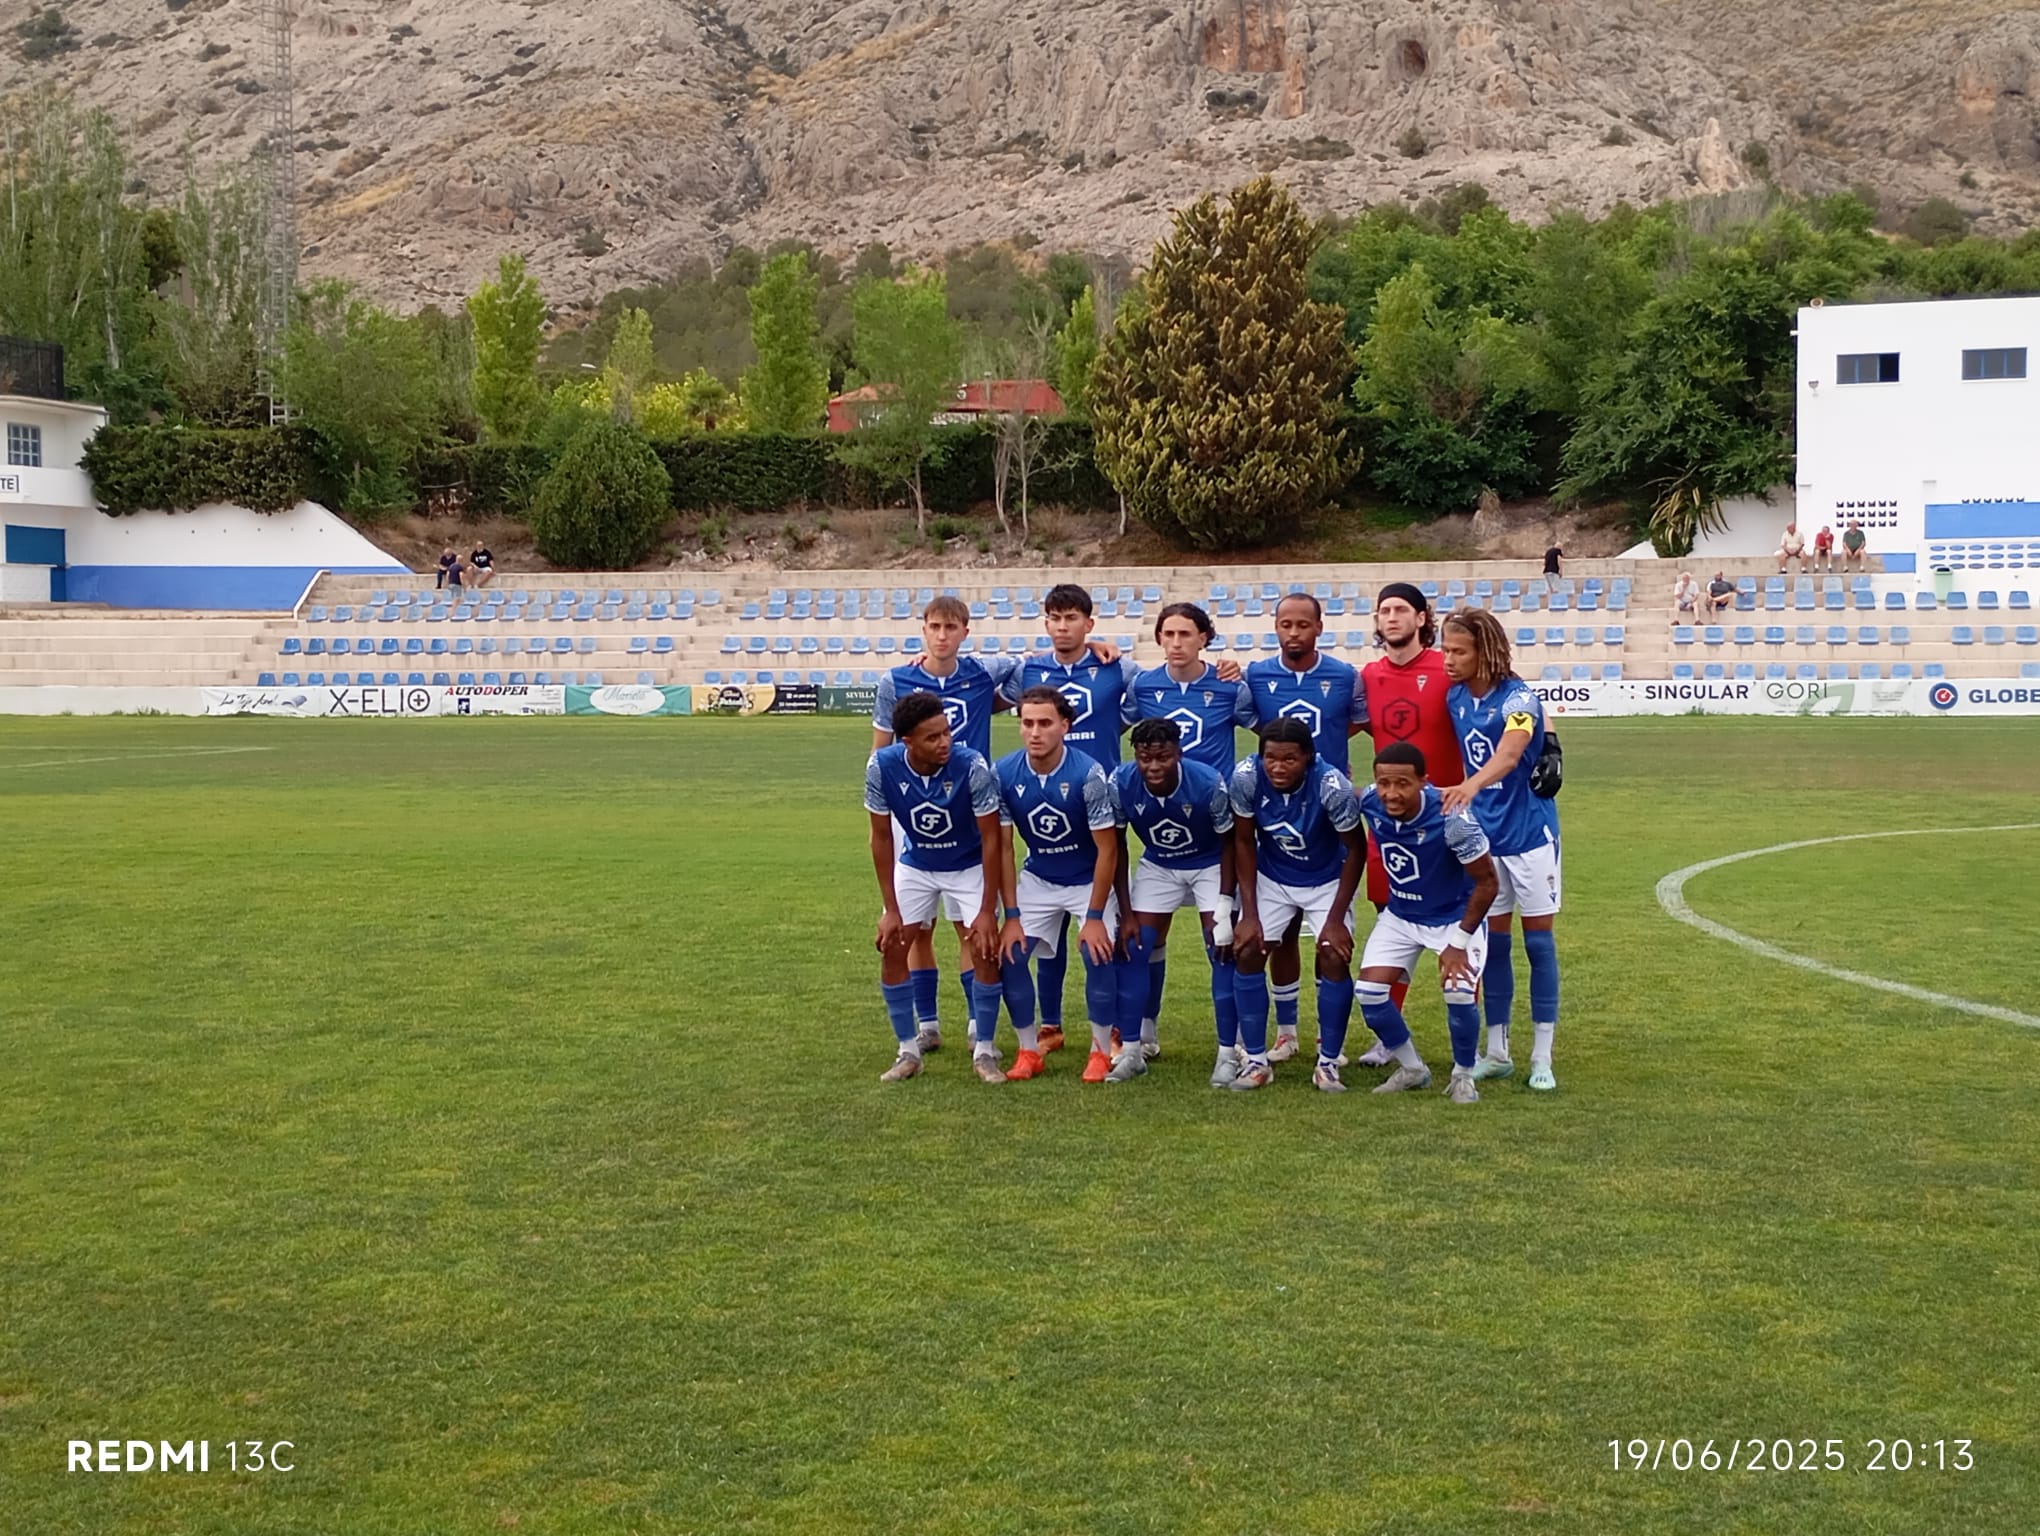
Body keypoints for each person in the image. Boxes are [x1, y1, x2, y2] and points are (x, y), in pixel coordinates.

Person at [1005, 584, 1210, 1055]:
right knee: (1048, 924)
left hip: (1100, 799)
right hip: (1045, 800)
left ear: (1089, 623)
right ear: (1045, 623)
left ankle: (1121, 1028)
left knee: (1107, 920)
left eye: (1072, 618)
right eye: (1054, 618)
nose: (1062, 626)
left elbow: (1159, 683)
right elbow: (985, 686)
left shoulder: (1118, 668)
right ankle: (1051, 1025)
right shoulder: (1027, 669)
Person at [1440, 610, 1562, 1093]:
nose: (1449, 660)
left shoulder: (1517, 698)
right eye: (1446, 650)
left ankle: (1542, 1056)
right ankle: (1498, 1052)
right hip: (1485, 841)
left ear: (1485, 651)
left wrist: (1470, 786)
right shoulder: (1454, 696)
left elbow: (1511, 753)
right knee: (1494, 946)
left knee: (1538, 944)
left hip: (1530, 837)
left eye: (1459, 652)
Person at [1124, 600, 1254, 1052]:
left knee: (1219, 936)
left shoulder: (1227, 686)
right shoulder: (1142, 686)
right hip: (1161, 830)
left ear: (1204, 639)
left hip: (1212, 832)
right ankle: (1144, 1031)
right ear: (1158, 638)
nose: (1176, 643)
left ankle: (1237, 1038)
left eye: (1186, 634)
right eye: (1168, 634)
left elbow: (1270, 729)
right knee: (1146, 939)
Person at [1242, 593, 1365, 1063]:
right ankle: (1287, 1033)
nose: (1293, 633)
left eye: (1302, 625)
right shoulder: (1255, 676)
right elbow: (1257, 728)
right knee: (1282, 935)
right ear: (1275, 627)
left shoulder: (1343, 676)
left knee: (1328, 938)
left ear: (1319, 627)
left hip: (1327, 812)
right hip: (1278, 810)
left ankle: (1324, 1040)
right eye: (1284, 625)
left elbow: (1358, 723)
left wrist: (1324, 764)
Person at [1351, 581, 1467, 1068]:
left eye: (1401, 609)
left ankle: (1478, 1041)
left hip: (1448, 824)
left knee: (1467, 923)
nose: (1391, 617)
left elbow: (1511, 699)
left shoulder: (1449, 669)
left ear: (1422, 618)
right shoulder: (1368, 676)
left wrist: (1547, 741)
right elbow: (1326, 724)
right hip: (1390, 823)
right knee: (1391, 917)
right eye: (1384, 610)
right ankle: (1388, 1037)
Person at [864, 692, 1006, 1083]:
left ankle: (984, 1050)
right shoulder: (882, 766)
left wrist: (986, 909)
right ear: (907, 741)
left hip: (968, 866)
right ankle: (908, 1050)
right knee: (894, 946)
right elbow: (880, 838)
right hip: (917, 865)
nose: (944, 742)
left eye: (946, 732)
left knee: (983, 947)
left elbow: (992, 839)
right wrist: (890, 909)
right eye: (932, 737)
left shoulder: (972, 765)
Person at [993, 687, 1128, 1085]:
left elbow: (1108, 850)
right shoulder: (1003, 773)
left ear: (1065, 726)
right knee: (1011, 955)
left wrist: (1095, 915)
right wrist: (1012, 914)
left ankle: (1100, 1051)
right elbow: (1002, 848)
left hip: (1088, 879)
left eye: (1045, 723)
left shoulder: (1088, 774)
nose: (1035, 732)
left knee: (1096, 951)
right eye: (1027, 723)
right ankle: (1028, 1051)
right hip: (1039, 877)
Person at [1227, 718, 1366, 1093]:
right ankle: (1256, 1061)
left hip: (1327, 878)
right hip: (1274, 876)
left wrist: (1336, 918)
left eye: (1289, 759)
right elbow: (1242, 841)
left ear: (1308, 758)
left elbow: (1357, 848)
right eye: (1270, 758)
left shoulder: (1331, 785)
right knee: (1247, 951)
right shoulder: (1246, 777)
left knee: (1334, 955)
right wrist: (1250, 914)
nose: (1278, 766)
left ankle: (1328, 1062)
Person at [1356, 742, 1501, 1103]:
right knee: (1369, 993)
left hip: (1453, 917)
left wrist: (1458, 943)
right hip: (1401, 914)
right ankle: (1412, 1069)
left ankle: (1464, 1075)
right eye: (1384, 783)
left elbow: (1488, 882)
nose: (1391, 793)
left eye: (1402, 783)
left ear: (1424, 781)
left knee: (1458, 991)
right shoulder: (1372, 801)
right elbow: (1352, 793)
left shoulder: (1454, 819)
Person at [1111, 717, 1239, 1084]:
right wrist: (1125, 909)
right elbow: (1116, 845)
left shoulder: (1207, 783)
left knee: (1222, 945)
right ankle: (1133, 1050)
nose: (1153, 766)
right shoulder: (1120, 782)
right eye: (1145, 757)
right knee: (1134, 947)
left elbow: (1231, 842)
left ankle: (1229, 1053)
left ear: (1179, 754)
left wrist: (1226, 904)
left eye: (1163, 757)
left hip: (1209, 863)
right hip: (1159, 864)